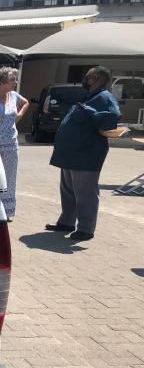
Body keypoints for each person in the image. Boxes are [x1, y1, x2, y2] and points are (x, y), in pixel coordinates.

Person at [45, 66, 120, 242]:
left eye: (87, 77)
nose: (85, 80)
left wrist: (97, 119)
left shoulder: (104, 97)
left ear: (95, 78)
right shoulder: (91, 96)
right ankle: (66, 222)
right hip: (71, 154)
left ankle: (86, 229)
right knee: (68, 190)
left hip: (85, 154)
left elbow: (112, 116)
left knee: (85, 193)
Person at [0, 67, 29, 221]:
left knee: (9, 178)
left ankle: (6, 211)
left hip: (11, 145)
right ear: (2, 81)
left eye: (15, 79)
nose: (15, 82)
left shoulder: (13, 96)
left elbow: (26, 102)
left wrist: (19, 115)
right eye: (12, 79)